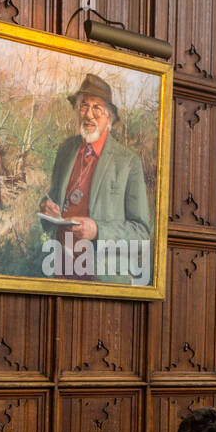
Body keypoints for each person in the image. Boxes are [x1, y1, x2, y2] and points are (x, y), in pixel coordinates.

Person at [39, 74, 151, 283]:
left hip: (102, 277)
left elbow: (141, 232)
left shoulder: (128, 162)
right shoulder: (66, 150)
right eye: (83, 106)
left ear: (109, 116)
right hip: (61, 270)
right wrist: (46, 207)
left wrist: (98, 230)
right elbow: (52, 197)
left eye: (96, 108)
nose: (88, 114)